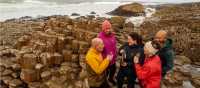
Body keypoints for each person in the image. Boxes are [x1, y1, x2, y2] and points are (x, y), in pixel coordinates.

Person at [98, 20, 117, 85]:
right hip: (105, 59)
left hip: (113, 59)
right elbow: (98, 49)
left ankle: (111, 79)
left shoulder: (112, 35)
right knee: (106, 73)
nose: (108, 30)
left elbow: (114, 45)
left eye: (109, 28)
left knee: (113, 70)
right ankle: (105, 83)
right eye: (106, 29)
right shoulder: (100, 37)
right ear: (103, 29)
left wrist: (115, 54)